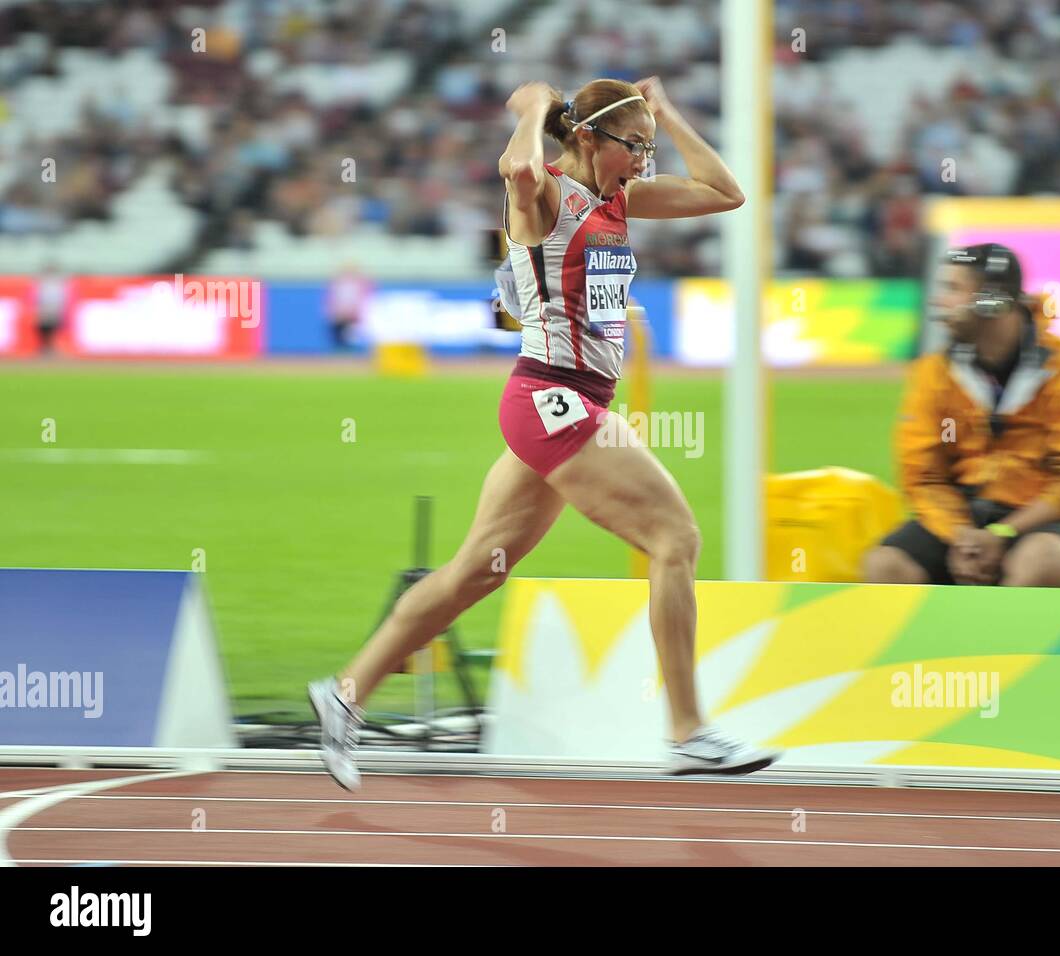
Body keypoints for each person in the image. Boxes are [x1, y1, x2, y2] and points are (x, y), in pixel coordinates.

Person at [310, 76, 779, 789]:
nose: (645, 162)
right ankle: (688, 731)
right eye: (635, 147)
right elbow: (517, 169)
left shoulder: (623, 198)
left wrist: (666, 113)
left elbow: (725, 192)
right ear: (587, 137)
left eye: (649, 150)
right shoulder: (547, 196)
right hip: (552, 399)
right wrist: (533, 108)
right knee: (676, 538)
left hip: (572, 402)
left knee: (472, 573)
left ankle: (344, 696)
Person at [863, 243, 1060, 587]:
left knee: (1039, 561)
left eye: (954, 289)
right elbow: (924, 476)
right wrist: (961, 536)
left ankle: (1009, 642)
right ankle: (944, 642)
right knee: (885, 566)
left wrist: (1003, 533)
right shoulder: (934, 375)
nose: (939, 302)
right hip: (965, 522)